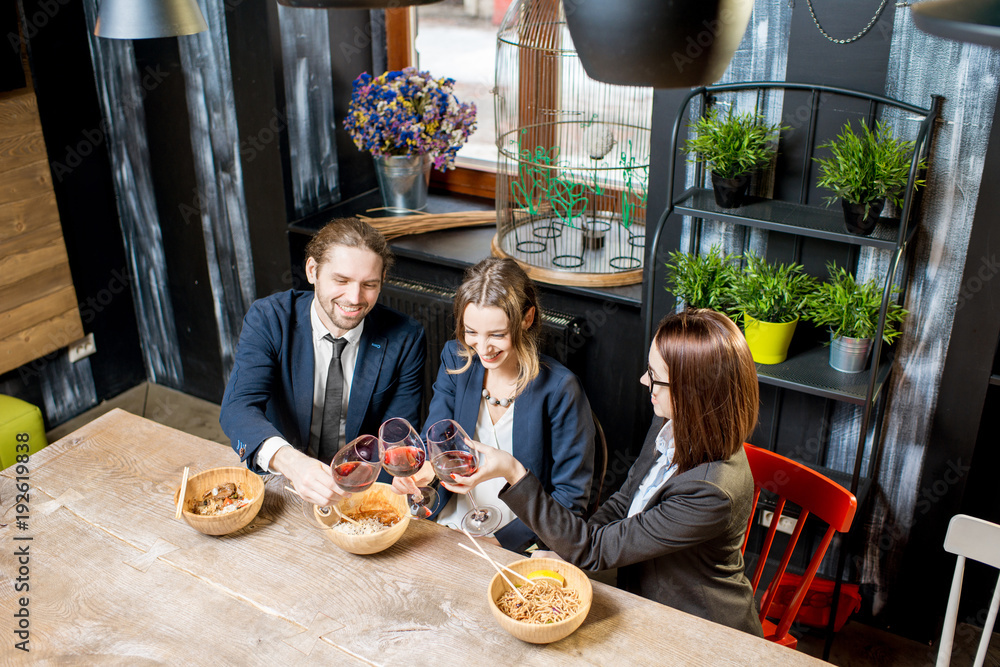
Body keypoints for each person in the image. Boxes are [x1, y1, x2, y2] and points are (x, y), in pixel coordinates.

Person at [451, 308, 764, 636]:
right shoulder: (672, 419)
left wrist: (514, 472)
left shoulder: (710, 491)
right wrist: (569, 550)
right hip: (637, 587)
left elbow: (594, 550)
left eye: (654, 376)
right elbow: (625, 500)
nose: (645, 381)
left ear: (692, 392)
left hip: (697, 626)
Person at [220, 217, 426, 508]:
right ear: (312, 271)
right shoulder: (269, 318)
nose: (354, 298)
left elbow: (395, 435)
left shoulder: (406, 337)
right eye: (341, 281)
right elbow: (237, 408)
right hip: (282, 480)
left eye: (369, 284)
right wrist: (291, 462)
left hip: (361, 491)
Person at [396, 257, 595, 554]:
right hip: (451, 525)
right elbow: (434, 441)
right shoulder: (457, 358)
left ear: (527, 318)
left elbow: (570, 499)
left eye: (498, 335)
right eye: (471, 332)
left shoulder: (560, 390)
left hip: (521, 539)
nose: (482, 348)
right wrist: (424, 472)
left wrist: (502, 543)